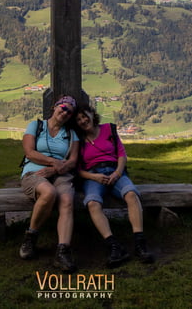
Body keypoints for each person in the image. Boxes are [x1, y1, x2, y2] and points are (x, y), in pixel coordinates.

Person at [74, 105, 154, 266]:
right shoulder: (78, 141)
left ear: (92, 114)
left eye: (84, 115)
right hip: (93, 176)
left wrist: (117, 172)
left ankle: (140, 243)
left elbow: (122, 154)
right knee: (92, 203)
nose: (83, 120)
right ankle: (114, 246)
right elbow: (77, 169)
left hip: (115, 171)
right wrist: (94, 176)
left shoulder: (109, 130)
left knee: (131, 194)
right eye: (79, 120)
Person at [19, 95, 80, 271]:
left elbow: (73, 161)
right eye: (64, 107)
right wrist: (53, 162)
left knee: (67, 200)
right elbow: (30, 152)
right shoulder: (36, 126)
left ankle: (63, 251)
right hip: (34, 171)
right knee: (49, 193)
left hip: (61, 174)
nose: (66, 112)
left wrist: (54, 169)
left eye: (70, 111)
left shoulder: (71, 134)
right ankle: (30, 237)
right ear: (55, 107)